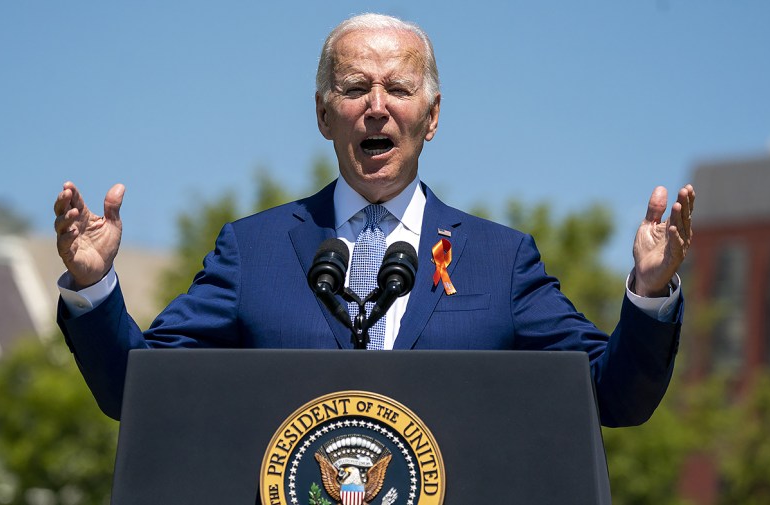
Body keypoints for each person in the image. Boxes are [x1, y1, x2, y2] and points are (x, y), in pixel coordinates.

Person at [54, 13, 695, 426]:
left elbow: (615, 396)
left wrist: (648, 293)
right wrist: (94, 289)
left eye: (400, 89)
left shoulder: (502, 261)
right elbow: (139, 390)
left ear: (433, 116)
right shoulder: (254, 250)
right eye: (357, 88)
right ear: (324, 115)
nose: (377, 108)